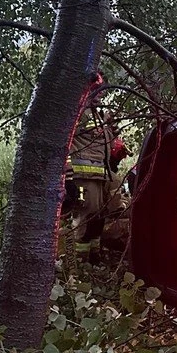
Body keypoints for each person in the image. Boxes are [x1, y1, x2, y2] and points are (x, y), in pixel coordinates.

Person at [64, 73, 129, 262]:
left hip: (101, 176)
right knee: (84, 218)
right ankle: (78, 263)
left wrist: (113, 134)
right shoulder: (75, 114)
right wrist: (67, 178)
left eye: (102, 90)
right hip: (82, 177)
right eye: (97, 90)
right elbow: (64, 144)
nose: (100, 94)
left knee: (99, 217)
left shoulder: (100, 114)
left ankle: (94, 256)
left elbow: (104, 144)